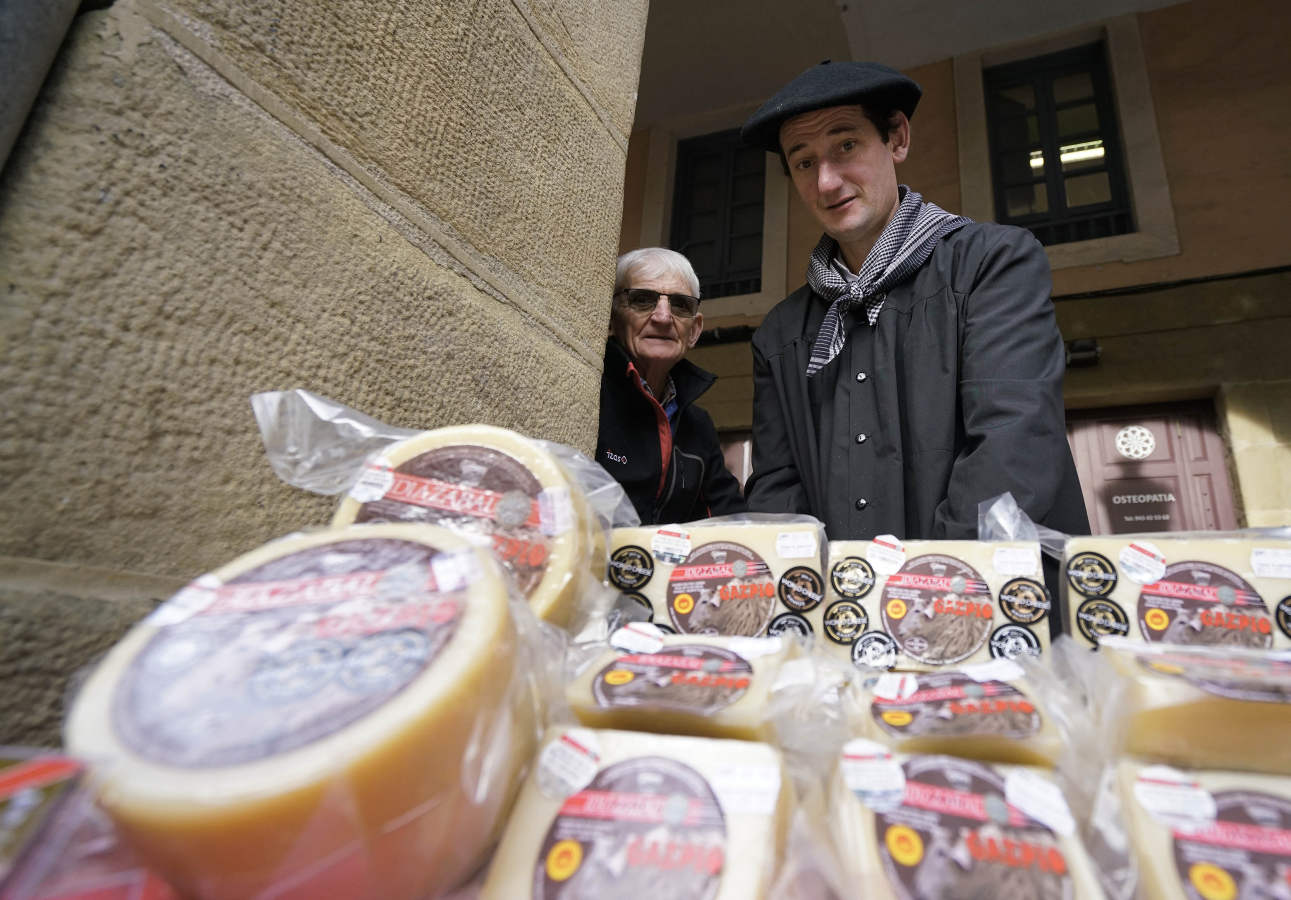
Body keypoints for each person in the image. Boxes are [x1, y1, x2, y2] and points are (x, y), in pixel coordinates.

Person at [738, 60, 1089, 542]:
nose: (826, 181)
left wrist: (930, 587)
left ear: (897, 138)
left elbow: (1013, 441)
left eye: (846, 145)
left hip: (983, 599)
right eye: (803, 162)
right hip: (843, 609)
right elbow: (777, 491)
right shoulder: (780, 334)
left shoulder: (992, 263)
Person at [597, 248, 747, 524]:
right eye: (642, 300)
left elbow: (731, 522)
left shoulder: (697, 425)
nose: (663, 317)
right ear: (612, 316)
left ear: (694, 330)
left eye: (680, 305)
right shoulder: (590, 392)